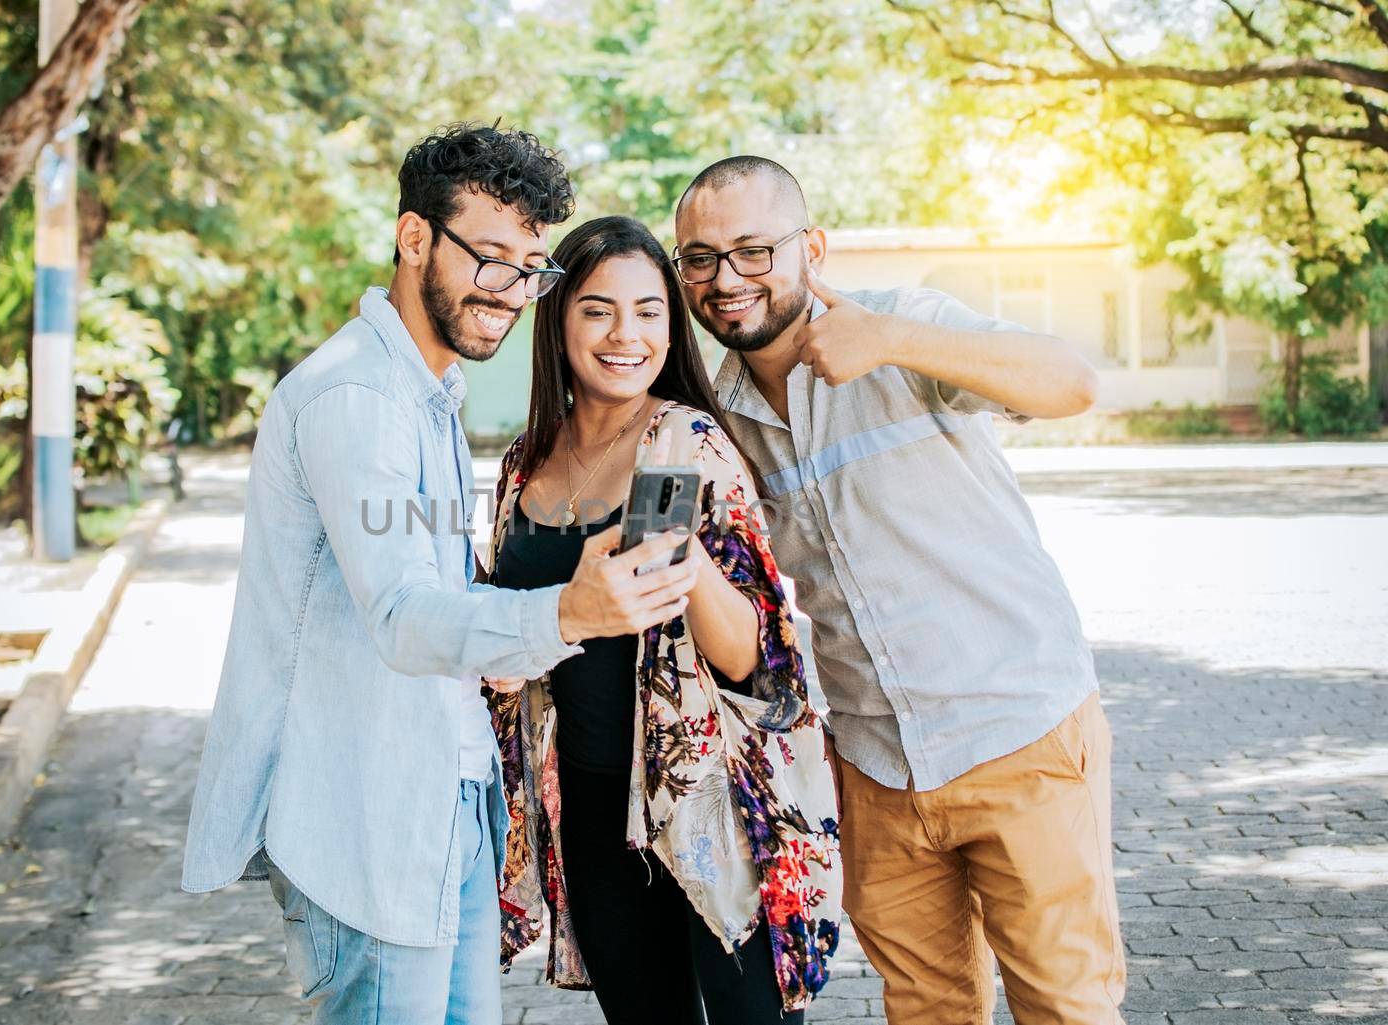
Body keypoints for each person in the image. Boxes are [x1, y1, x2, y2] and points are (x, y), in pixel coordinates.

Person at [179, 124, 697, 1025]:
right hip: (368, 815)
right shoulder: (361, 400)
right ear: (414, 237)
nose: (509, 290)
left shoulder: (427, 396)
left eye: (528, 267)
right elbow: (404, 615)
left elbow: (431, 592)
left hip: (439, 800)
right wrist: (565, 613)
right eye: (488, 257)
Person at [672, 156, 1124, 1025]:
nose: (726, 279)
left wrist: (891, 341)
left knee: (1068, 1008)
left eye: (754, 250)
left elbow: (1072, 383)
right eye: (701, 257)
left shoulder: (904, 324)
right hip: (875, 766)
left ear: (812, 247)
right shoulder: (718, 411)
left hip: (1017, 730)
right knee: (926, 1012)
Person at [484, 214, 841, 1025]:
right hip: (590, 804)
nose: (626, 334)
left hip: (705, 803)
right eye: (598, 309)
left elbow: (754, 657)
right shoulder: (524, 461)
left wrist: (680, 548)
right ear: (559, 318)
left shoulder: (686, 443)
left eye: (650, 310)